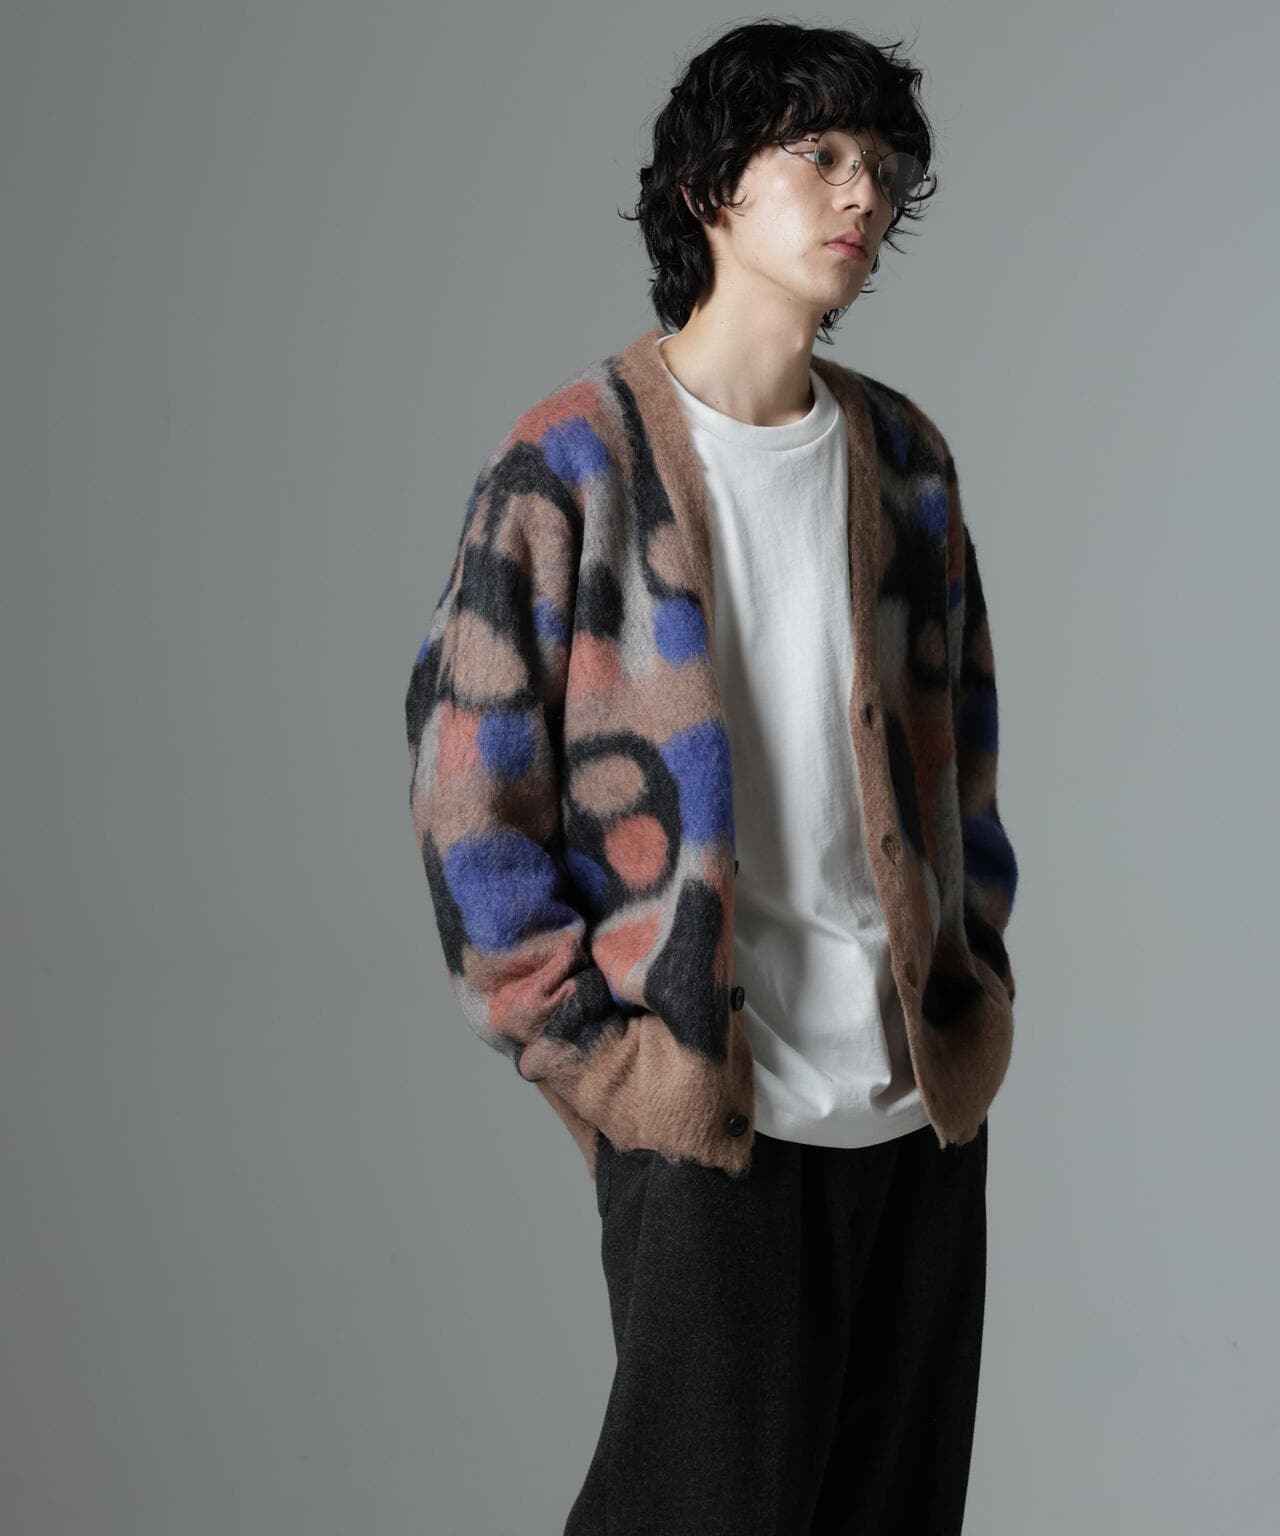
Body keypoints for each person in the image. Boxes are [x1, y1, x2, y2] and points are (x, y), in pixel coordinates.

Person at [404, 18, 1019, 1535]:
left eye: (881, 166)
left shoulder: (906, 462)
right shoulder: (572, 465)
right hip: (713, 1122)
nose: (861, 191)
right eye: (819, 154)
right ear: (708, 191)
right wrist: (611, 1069)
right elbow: (469, 804)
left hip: (916, 1125)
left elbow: (968, 763)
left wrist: (970, 986)